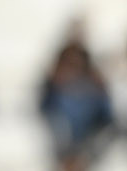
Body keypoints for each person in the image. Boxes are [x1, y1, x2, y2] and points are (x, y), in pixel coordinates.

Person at [38, 25, 115, 161]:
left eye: (76, 67)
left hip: (87, 144)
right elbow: (44, 109)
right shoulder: (53, 93)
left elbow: (107, 117)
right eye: (70, 66)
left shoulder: (94, 90)